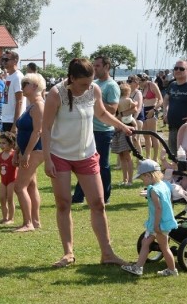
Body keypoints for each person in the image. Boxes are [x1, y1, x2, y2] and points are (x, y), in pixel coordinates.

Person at [41, 58, 135, 268]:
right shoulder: (56, 94)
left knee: (98, 204)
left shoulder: (93, 90)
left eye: (90, 82)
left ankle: (107, 253)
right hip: (60, 155)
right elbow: (45, 128)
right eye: (82, 83)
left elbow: (101, 114)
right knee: (64, 204)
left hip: (87, 154)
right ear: (71, 78)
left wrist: (122, 126)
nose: (87, 88)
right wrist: (47, 159)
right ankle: (68, 253)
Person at [73, 55, 120, 204]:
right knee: (83, 162)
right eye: (94, 65)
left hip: (103, 131)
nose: (94, 68)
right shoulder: (94, 83)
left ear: (107, 67)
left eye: (97, 66)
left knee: (103, 165)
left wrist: (96, 100)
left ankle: (105, 197)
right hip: (89, 129)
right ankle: (79, 196)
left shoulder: (111, 86)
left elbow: (113, 109)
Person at [121, 159, 179, 277]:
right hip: (163, 222)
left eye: (143, 179)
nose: (143, 181)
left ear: (149, 175)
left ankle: (172, 270)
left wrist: (156, 226)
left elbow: (158, 208)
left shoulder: (153, 190)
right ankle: (138, 267)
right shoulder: (164, 184)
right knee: (145, 242)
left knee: (164, 247)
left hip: (158, 224)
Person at [13, 72, 46, 232]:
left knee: (19, 187)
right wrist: (18, 150)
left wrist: (26, 153)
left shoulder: (39, 105)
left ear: (34, 86)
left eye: (25, 83)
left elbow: (37, 131)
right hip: (28, 150)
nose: (22, 85)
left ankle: (28, 223)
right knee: (31, 185)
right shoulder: (31, 105)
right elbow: (24, 131)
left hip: (35, 150)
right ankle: (35, 221)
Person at [110, 82, 137, 187]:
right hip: (124, 126)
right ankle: (127, 179)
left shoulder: (117, 101)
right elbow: (135, 107)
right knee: (124, 156)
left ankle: (128, 179)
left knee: (124, 156)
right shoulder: (128, 100)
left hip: (121, 128)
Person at [0, 132, 18, 225]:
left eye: (4, 143)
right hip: (3, 181)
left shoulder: (14, 154)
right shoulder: (0, 154)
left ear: (11, 144)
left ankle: (11, 218)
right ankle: (4, 217)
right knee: (2, 198)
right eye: (0, 143)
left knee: (10, 199)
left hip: (12, 180)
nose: (1, 145)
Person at [0, 51, 24, 133]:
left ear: (15, 61)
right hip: (6, 119)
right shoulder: (9, 76)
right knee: (5, 146)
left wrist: (15, 124)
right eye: (3, 59)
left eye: (6, 59)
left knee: (12, 146)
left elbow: (19, 101)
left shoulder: (18, 77)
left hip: (12, 121)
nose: (4, 62)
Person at [140, 73, 163, 161]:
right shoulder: (142, 88)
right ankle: (148, 156)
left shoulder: (152, 85)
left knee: (154, 134)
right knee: (146, 136)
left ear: (145, 80)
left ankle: (155, 157)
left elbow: (160, 99)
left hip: (152, 109)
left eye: (141, 82)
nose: (140, 84)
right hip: (143, 110)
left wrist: (154, 110)